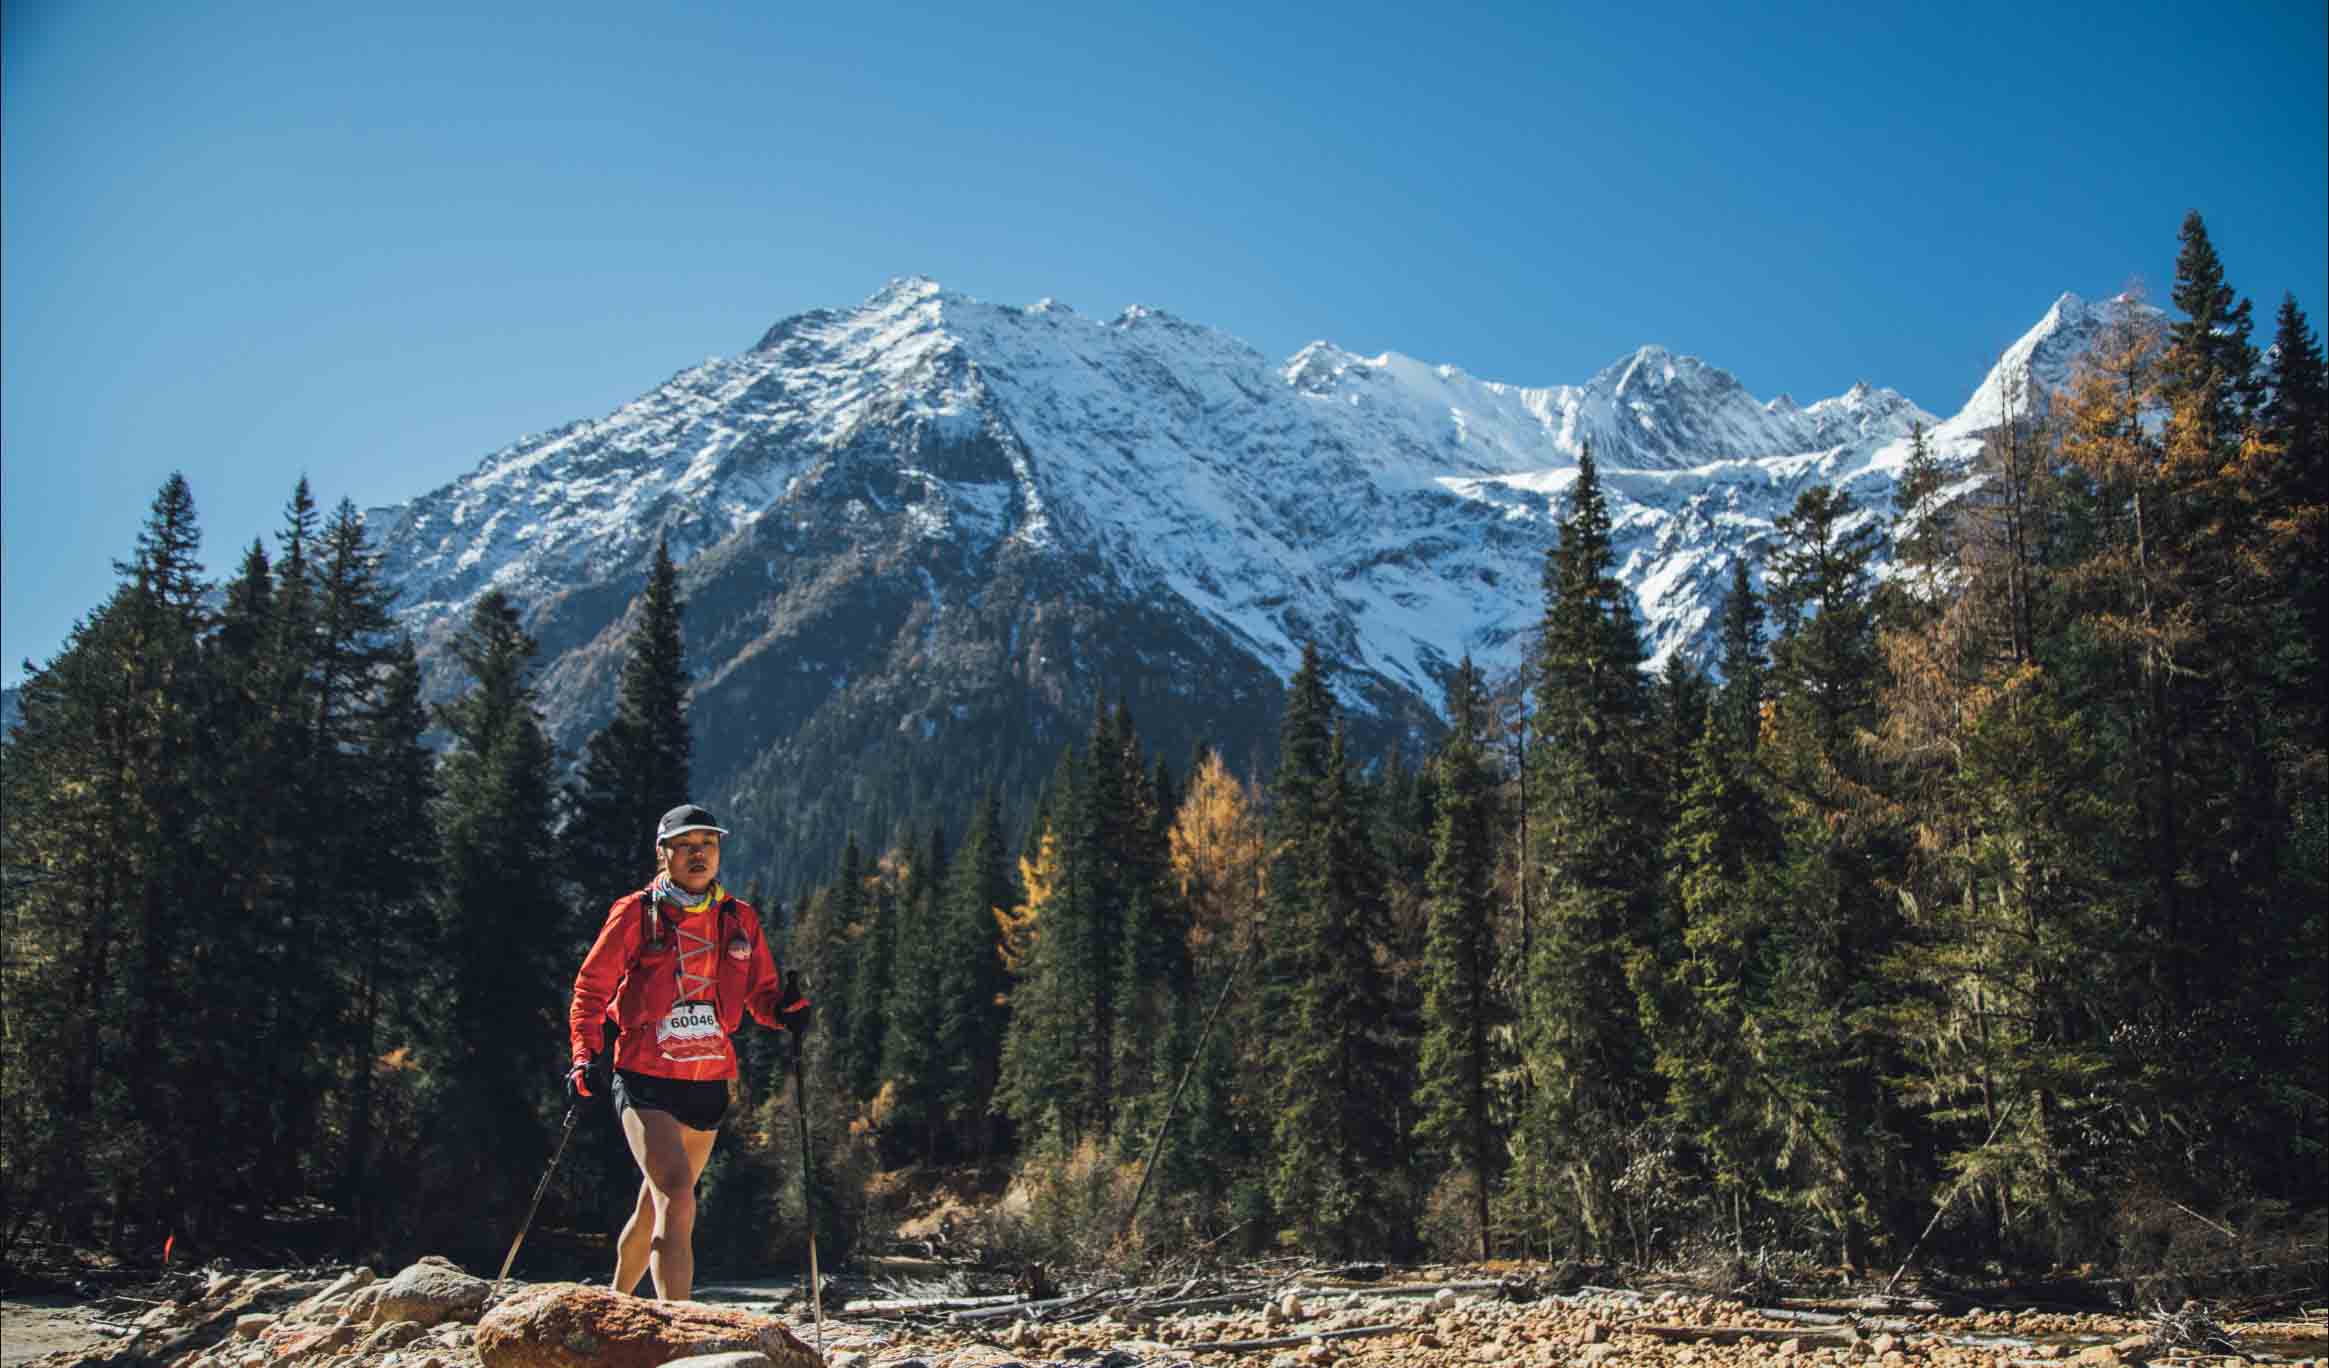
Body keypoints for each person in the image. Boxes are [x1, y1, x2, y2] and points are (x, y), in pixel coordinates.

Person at [566, 802, 809, 1301]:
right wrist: (585, 1054)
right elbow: (591, 988)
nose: (699, 855)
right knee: (677, 1196)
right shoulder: (635, 913)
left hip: (709, 1082)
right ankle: (677, 1329)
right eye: (686, 846)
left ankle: (613, 1306)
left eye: (709, 845)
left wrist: (785, 1011)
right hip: (645, 1079)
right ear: (664, 853)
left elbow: (761, 996)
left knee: (657, 1206)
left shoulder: (738, 919)